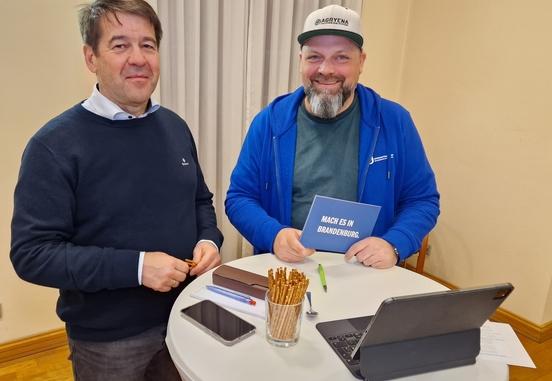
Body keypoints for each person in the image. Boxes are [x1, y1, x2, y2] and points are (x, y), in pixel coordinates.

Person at [10, 1, 223, 379]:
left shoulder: (175, 127)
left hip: (188, 312)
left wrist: (209, 240)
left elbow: (199, 201)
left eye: (148, 45)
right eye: (120, 45)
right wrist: (137, 267)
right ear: (91, 57)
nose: (138, 58)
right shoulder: (54, 145)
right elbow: (32, 254)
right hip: (110, 341)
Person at [225, 4, 439, 269]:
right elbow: (239, 198)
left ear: (361, 62)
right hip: (289, 270)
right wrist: (274, 235)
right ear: (300, 60)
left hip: (367, 271)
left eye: (341, 57)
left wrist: (394, 243)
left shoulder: (395, 122)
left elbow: (422, 200)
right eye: (314, 57)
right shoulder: (269, 123)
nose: (326, 69)